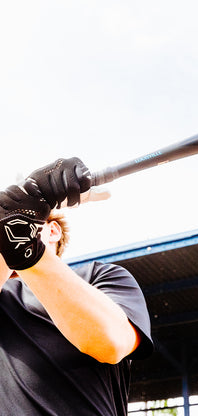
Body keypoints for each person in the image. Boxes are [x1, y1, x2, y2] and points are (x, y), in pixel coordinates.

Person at [0, 157, 153, 415]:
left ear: (52, 231)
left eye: (31, 221)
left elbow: (111, 342)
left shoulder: (100, 275)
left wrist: (27, 248)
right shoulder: (5, 295)